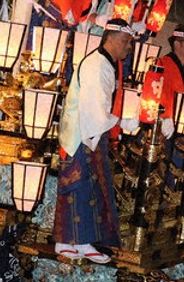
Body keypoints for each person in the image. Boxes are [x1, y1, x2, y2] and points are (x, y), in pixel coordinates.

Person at [53, 19, 134, 263]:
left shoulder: (105, 63)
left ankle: (80, 242)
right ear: (112, 39)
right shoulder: (96, 65)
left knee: (91, 188)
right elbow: (94, 110)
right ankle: (70, 241)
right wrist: (121, 121)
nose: (129, 47)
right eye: (126, 41)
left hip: (90, 133)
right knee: (80, 186)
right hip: (81, 134)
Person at [155, 24, 184, 141]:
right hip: (164, 126)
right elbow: (158, 94)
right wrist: (164, 117)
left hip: (179, 126)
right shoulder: (162, 64)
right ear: (177, 44)